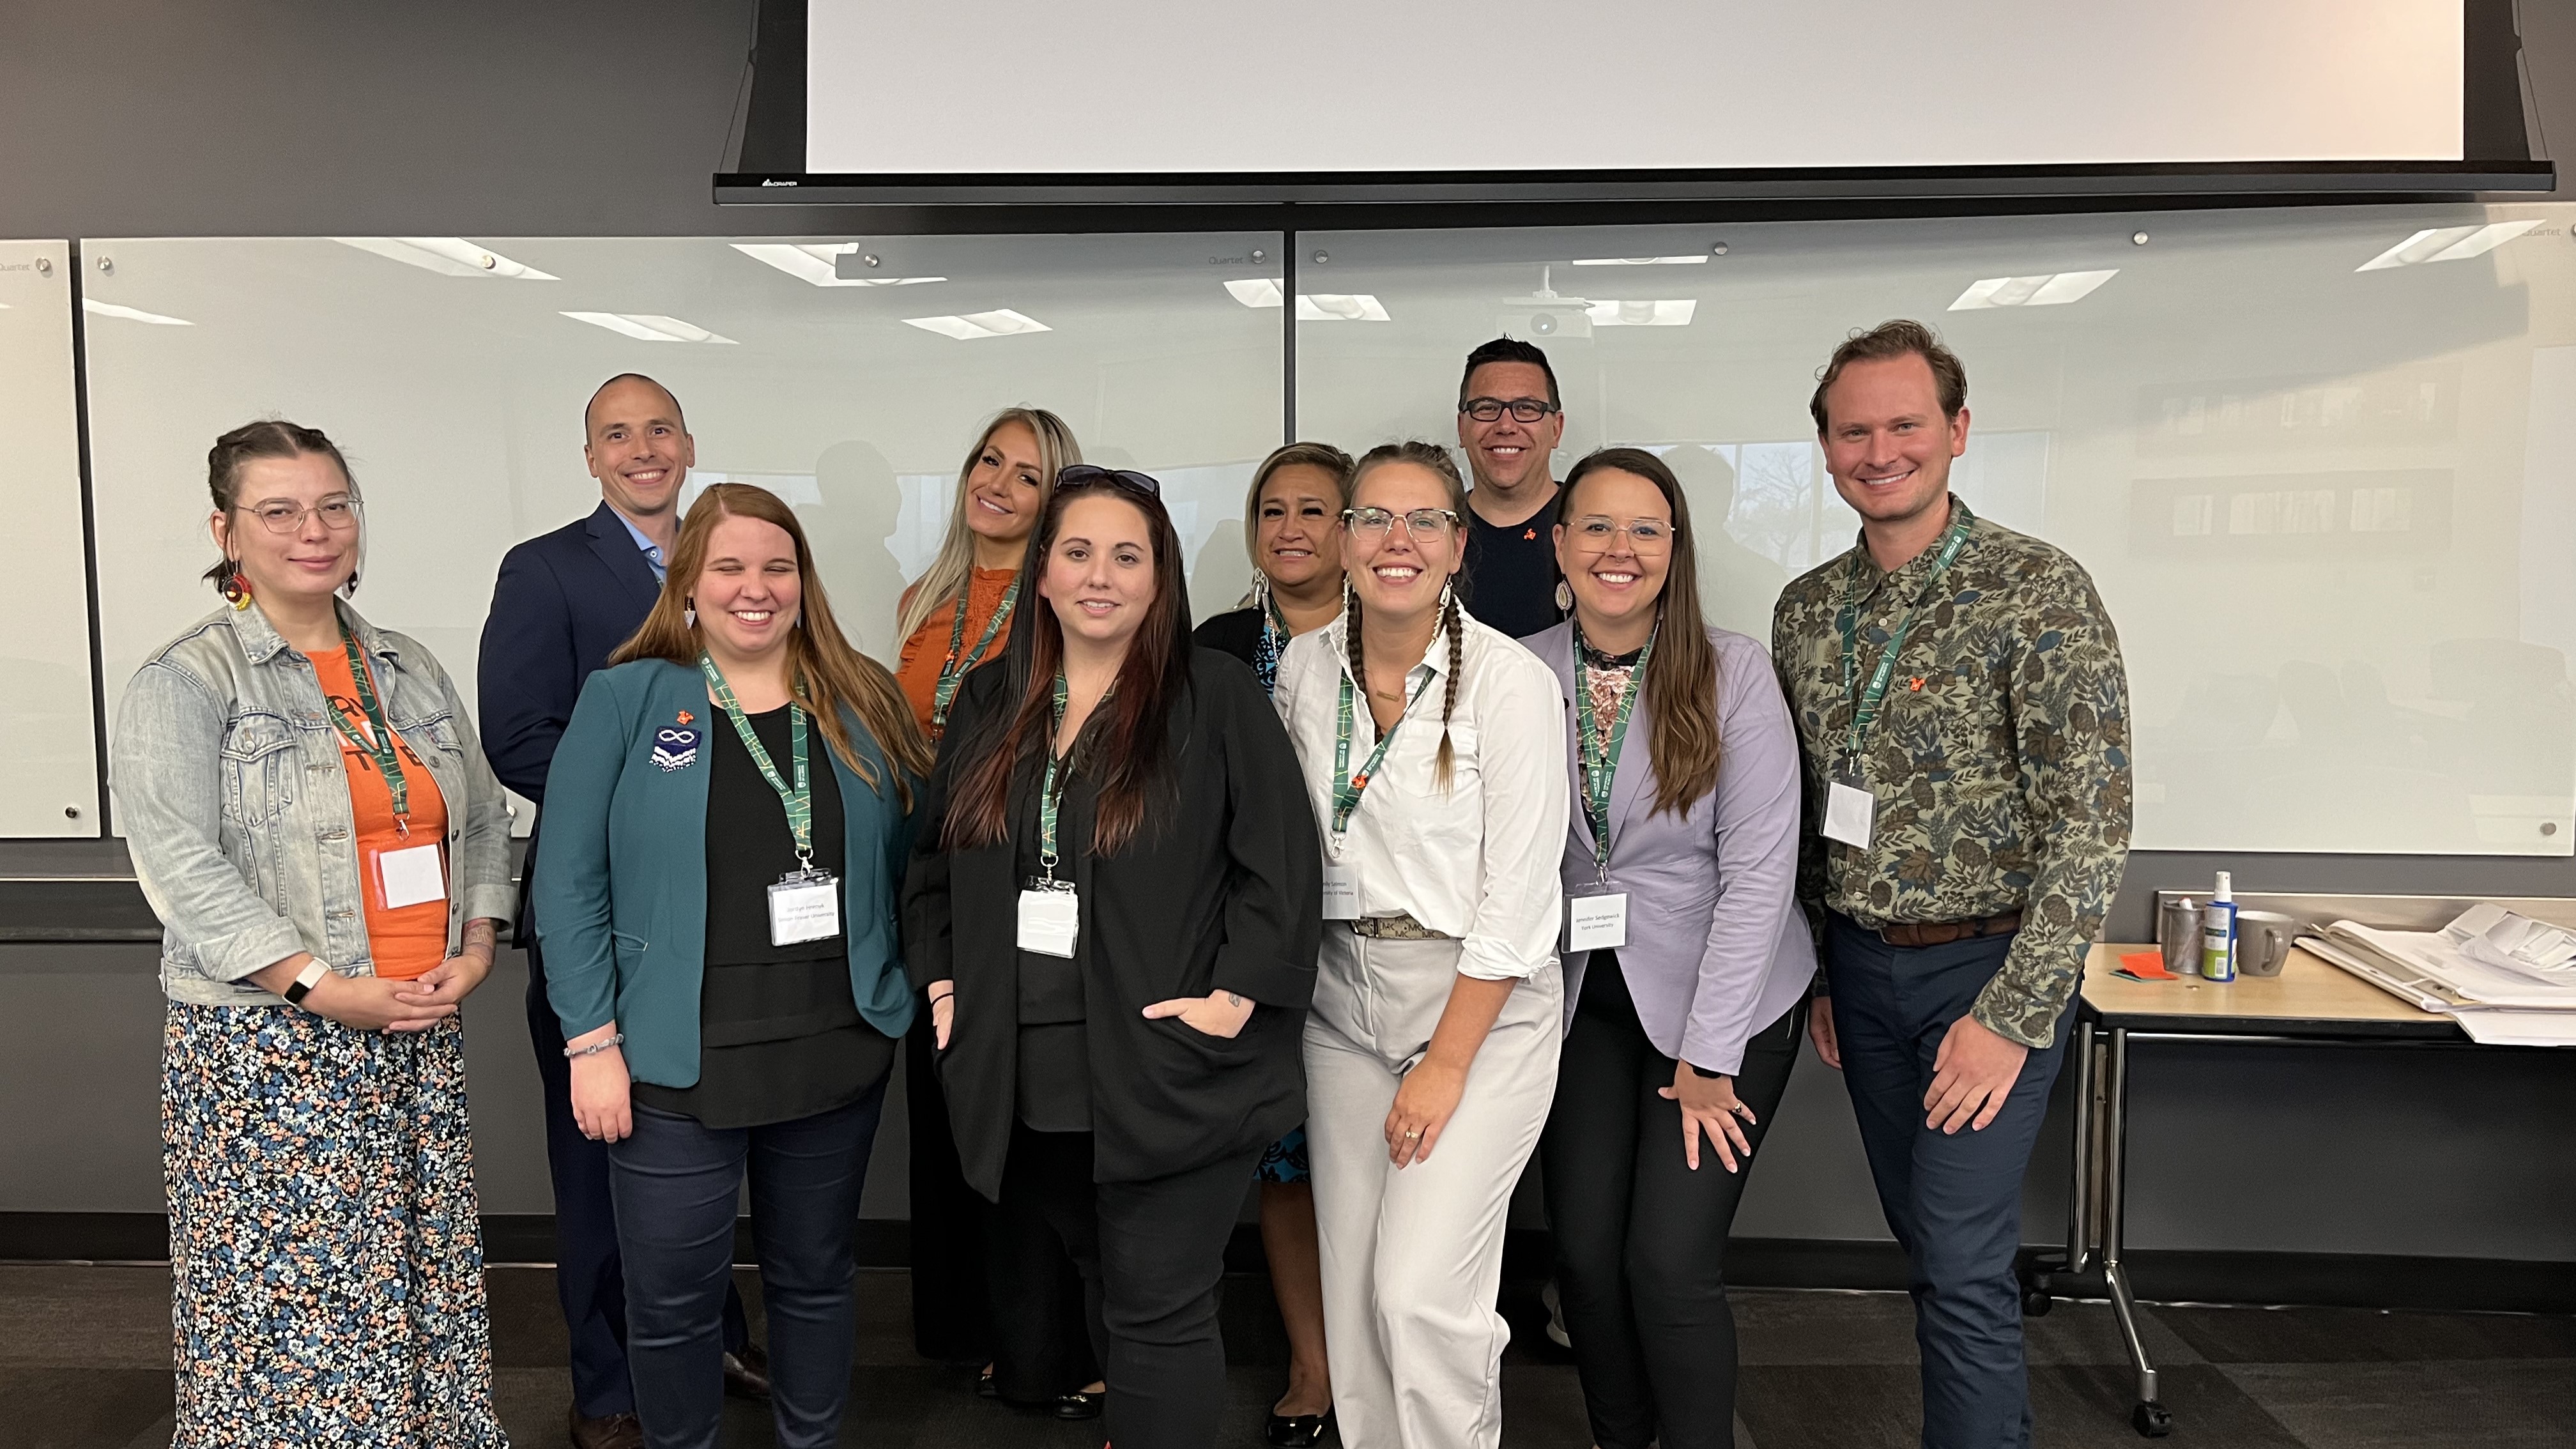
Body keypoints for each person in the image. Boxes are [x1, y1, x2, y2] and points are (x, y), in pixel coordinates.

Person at [114, 420, 515, 1445]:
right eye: (281, 510)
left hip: (415, 1025)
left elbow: (475, 821)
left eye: (336, 505)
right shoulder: (191, 679)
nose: (317, 530)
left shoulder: (406, 666)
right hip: (270, 1047)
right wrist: (319, 986)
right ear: (227, 530)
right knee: (289, 1308)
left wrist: (476, 947)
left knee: (412, 1284)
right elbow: (181, 870)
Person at [905, 464, 1321, 1449]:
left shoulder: (1213, 695)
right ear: (1041, 573)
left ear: (1159, 577)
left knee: (1161, 1309)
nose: (1101, 576)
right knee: (1101, 1279)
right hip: (1022, 1067)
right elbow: (930, 864)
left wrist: (1231, 1002)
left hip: (1166, 1059)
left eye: (1127, 556)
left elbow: (1282, 872)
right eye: (1078, 552)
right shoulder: (989, 700)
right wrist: (945, 984)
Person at [1772, 321, 2132, 1449]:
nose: (1880, 449)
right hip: (1862, 973)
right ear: (1825, 447)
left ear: (1956, 431)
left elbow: (2092, 818)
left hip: (1988, 967)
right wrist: (1824, 970)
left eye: (1904, 424)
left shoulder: (2035, 587)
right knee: (1929, 1245)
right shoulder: (1803, 608)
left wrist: (2013, 1016)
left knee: (1961, 1254)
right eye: (1853, 429)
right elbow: (1801, 816)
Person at [535, 483, 932, 1449]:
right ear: (686, 584)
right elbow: (568, 882)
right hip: (675, 1056)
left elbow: (916, 862)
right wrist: (590, 1040)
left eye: (777, 568)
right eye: (729, 568)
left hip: (834, 1042)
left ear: (803, 581)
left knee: (815, 1280)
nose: (755, 589)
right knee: (672, 1304)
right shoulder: (627, 698)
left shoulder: (862, 696)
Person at [479, 374, 765, 1448]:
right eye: (617, 435)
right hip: (597, 909)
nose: (642, 449)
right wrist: (655, 797)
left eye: (658, 429)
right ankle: (607, 1382)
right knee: (598, 1151)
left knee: (701, 1145)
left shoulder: (734, 555)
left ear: (688, 442)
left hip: (722, 913)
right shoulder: (545, 568)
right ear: (590, 456)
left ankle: (709, 1340)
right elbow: (515, 734)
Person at [1275, 441, 1568, 1449]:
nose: (1397, 540)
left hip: (1477, 1007)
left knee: (1418, 1295)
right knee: (1355, 1301)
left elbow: (1522, 897)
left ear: (1457, 547)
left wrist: (1445, 1067)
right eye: (1374, 519)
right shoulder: (1305, 671)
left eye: (1425, 522)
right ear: (1344, 540)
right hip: (1338, 999)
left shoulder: (1512, 681)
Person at [1525, 448, 1813, 1449]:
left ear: (1675, 549)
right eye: (1596, 527)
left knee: (1666, 1263)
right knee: (1587, 1262)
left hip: (1725, 1001)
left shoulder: (1733, 670)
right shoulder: (1519, 671)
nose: (1619, 549)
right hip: (1582, 1001)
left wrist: (1709, 1058)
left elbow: (1760, 877)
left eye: (1645, 529)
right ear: (1559, 544)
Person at [886, 406, 1099, 1404]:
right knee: (947, 1109)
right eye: (988, 460)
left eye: (1027, 473)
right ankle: (972, 1329)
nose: (999, 484)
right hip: (934, 875)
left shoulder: (1065, 602)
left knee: (1030, 1119)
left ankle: (1052, 1347)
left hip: (1027, 882)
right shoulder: (920, 600)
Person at [1191, 441, 1353, 1447]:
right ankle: (1312, 1361)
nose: (1291, 528)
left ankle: (1385, 1354)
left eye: (1315, 511)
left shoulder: (1401, 633)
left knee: (1376, 1155)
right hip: (1247, 929)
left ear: (1352, 530)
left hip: (1371, 931)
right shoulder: (1213, 645)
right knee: (1284, 1159)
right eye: (1273, 510)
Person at [1453, 337, 1572, 640]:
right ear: (1461, 429)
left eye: (1527, 408)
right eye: (1486, 407)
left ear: (1556, 428)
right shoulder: (1432, 534)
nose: (1506, 425)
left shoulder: (1590, 529)